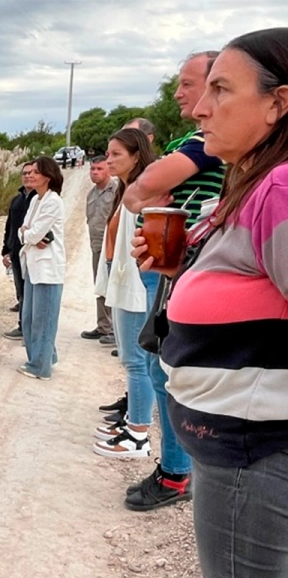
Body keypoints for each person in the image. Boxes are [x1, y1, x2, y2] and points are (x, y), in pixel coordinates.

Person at [131, 29, 288, 578]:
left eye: (221, 89)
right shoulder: (249, 183)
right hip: (240, 449)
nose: (200, 108)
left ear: (279, 103)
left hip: (257, 452)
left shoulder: (279, 187)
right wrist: (182, 273)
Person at [119, 50, 225, 511]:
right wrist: (143, 191)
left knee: (172, 375)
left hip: (189, 267)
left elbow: (144, 187)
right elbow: (136, 194)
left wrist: (146, 191)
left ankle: (178, 473)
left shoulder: (207, 141)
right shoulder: (197, 139)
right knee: (166, 372)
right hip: (175, 267)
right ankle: (176, 468)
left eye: (188, 83)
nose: (180, 93)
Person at [92, 129, 156, 459]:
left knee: (136, 362)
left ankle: (139, 434)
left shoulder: (145, 191)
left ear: (136, 154)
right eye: (108, 153)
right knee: (133, 361)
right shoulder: (127, 189)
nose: (109, 159)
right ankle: (133, 421)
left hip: (134, 286)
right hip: (121, 283)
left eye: (116, 154)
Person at [17, 156, 65, 380]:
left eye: (36, 172)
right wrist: (28, 234)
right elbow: (23, 231)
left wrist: (28, 234)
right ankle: (46, 356)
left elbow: (32, 233)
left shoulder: (53, 201)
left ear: (47, 176)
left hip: (47, 269)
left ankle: (40, 366)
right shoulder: (36, 200)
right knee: (28, 318)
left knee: (43, 320)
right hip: (32, 266)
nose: (31, 175)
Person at [80, 157, 118, 345]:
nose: (94, 172)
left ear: (108, 170)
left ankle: (115, 330)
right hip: (97, 246)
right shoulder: (91, 194)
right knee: (100, 285)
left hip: (114, 248)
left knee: (115, 287)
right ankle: (103, 326)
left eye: (99, 169)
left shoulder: (117, 191)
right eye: (92, 169)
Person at [1, 162, 37, 339]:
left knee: (31, 293)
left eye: (32, 173)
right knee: (21, 290)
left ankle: (28, 329)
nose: (28, 176)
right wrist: (5, 250)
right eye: (25, 173)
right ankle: (24, 326)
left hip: (32, 253)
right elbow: (10, 226)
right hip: (16, 251)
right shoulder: (17, 199)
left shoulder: (40, 200)